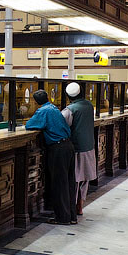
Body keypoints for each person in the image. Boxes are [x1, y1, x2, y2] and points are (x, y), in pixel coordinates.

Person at [25, 89, 76, 224]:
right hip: (68, 146)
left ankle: (62, 218)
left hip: (58, 149)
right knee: (69, 182)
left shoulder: (43, 111)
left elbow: (29, 125)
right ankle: (71, 216)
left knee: (59, 183)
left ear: (35, 102)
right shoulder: (54, 108)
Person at [62, 83, 97, 216]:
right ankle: (80, 205)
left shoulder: (70, 110)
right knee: (85, 178)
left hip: (77, 148)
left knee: (75, 178)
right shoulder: (89, 105)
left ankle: (73, 206)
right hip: (89, 145)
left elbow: (62, 124)